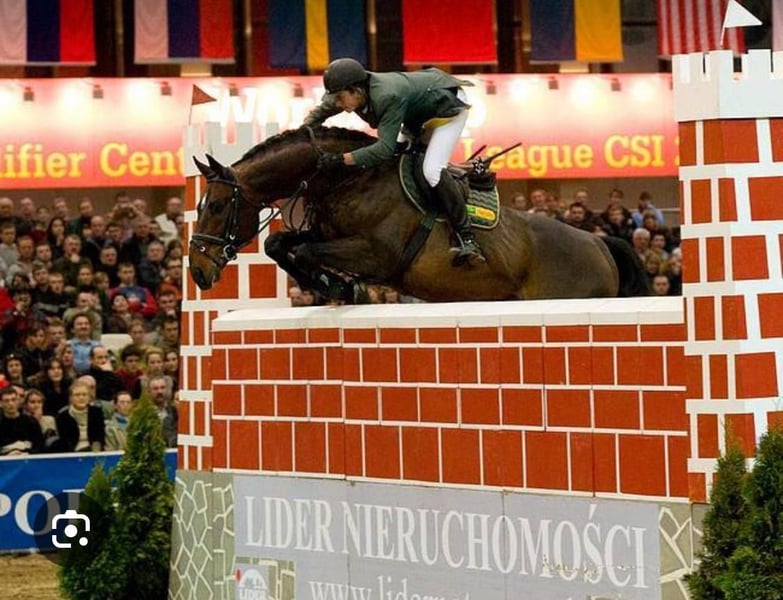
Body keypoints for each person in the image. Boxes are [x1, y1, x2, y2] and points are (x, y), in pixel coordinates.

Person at [304, 57, 485, 266]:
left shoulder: (386, 96)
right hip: (417, 113)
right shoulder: (350, 92)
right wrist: (300, 134)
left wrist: (341, 159)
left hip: (446, 107)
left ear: (355, 90)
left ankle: (467, 237)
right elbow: (320, 113)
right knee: (399, 156)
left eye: (339, 98)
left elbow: (384, 149)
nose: (337, 104)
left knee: (431, 171)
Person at [53, 381, 105, 452]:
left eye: (84, 394)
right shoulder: (63, 416)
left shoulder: (96, 412)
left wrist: (95, 452)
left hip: (94, 451)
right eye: (77, 395)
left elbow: (99, 437)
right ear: (71, 398)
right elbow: (65, 442)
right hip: (72, 452)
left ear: (89, 397)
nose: (81, 398)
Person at [0, 386, 44, 455]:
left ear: (18, 401)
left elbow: (40, 446)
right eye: (6, 401)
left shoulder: (31, 422)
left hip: (28, 459)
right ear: (1, 403)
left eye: (13, 400)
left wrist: (27, 454)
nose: (11, 403)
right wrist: (6, 456)